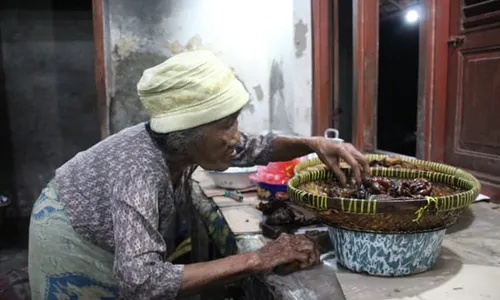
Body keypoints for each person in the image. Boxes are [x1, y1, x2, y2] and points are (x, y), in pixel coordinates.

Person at [28, 50, 369, 299]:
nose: (236, 136)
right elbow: (141, 281)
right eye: (226, 125)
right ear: (186, 134)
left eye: (235, 120)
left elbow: (255, 147)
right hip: (72, 233)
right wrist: (258, 258)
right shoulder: (139, 170)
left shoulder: (180, 144)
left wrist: (314, 143)